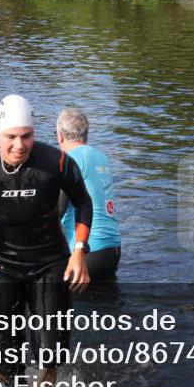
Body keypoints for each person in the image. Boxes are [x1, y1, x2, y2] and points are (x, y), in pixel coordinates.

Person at [0, 94, 93, 387]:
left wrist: (79, 251)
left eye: (26, 136)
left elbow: (84, 203)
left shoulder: (55, 162)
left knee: (52, 351)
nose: (19, 145)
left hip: (50, 262)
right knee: (8, 354)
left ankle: (50, 370)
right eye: (11, 137)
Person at [57, 108, 121, 281]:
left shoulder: (68, 159)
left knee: (68, 306)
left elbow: (58, 210)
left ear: (60, 136)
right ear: (86, 134)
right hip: (113, 249)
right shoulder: (101, 156)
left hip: (86, 253)